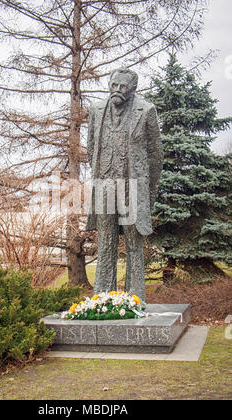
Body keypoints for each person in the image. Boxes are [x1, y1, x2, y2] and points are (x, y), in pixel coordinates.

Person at [86, 68, 163, 301]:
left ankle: (135, 298)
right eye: (113, 85)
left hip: (132, 189)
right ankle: (101, 299)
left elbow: (155, 155)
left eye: (122, 86)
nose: (117, 90)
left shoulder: (146, 110)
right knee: (106, 245)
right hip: (105, 187)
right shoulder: (97, 110)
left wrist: (146, 194)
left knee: (134, 246)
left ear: (133, 88)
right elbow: (91, 148)